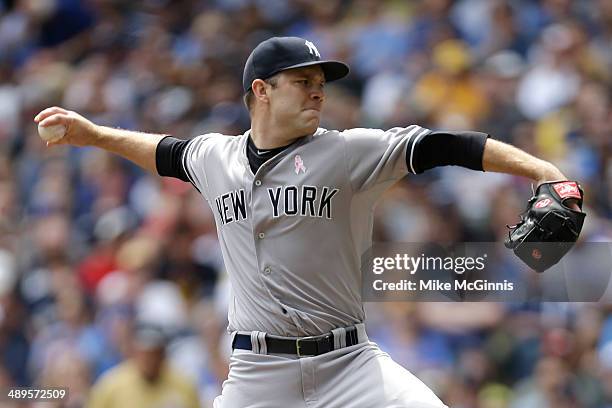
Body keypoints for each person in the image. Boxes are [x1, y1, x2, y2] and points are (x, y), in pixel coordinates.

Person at [35, 36, 575, 407]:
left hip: (350, 364)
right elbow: (162, 151)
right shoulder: (213, 157)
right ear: (261, 91)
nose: (318, 89)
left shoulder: (348, 152)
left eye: (321, 80)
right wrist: (97, 134)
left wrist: (541, 169)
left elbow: (446, 145)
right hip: (257, 373)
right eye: (301, 80)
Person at [87, 323, 200, 408]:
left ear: (163, 354)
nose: (150, 361)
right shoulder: (110, 386)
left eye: (155, 354)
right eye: (145, 354)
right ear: (134, 352)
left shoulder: (183, 385)